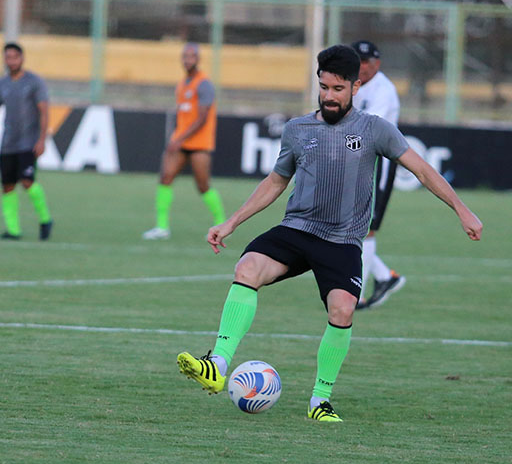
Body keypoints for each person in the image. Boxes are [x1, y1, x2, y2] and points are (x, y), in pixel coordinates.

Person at [176, 45, 482, 422]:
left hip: (341, 241)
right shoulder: (298, 129)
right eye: (323, 87)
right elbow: (275, 182)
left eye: (338, 89)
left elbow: (422, 170)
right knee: (248, 267)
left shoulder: (375, 129)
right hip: (297, 230)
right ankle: (217, 364)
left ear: (355, 87)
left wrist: (461, 209)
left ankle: (319, 400)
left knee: (342, 308)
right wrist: (232, 222)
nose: (329, 96)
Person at [142, 43, 225, 240]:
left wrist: (180, 138)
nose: (187, 60)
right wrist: (177, 138)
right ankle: (162, 227)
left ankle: (222, 222)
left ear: (198, 59)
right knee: (165, 178)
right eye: (185, 56)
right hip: (180, 142)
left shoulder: (204, 84)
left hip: (199, 144)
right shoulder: (182, 83)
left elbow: (202, 117)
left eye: (191, 56)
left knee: (203, 186)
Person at [351, 40, 405, 309]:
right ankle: (385, 277)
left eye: (365, 62)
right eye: (356, 60)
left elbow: (368, 127)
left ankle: (355, 294)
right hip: (356, 159)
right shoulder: (349, 81)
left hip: (379, 160)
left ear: (376, 64)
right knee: (349, 223)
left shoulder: (384, 89)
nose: (360, 67)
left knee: (367, 226)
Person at [0, 42, 53, 240]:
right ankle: (13, 230)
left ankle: (45, 219)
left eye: (14, 57)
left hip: (28, 143)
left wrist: (42, 139)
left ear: (22, 58)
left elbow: (44, 110)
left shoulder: (34, 82)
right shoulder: (2, 84)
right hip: (7, 144)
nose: (10, 61)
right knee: (7, 186)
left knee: (28, 181)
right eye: (7, 57)